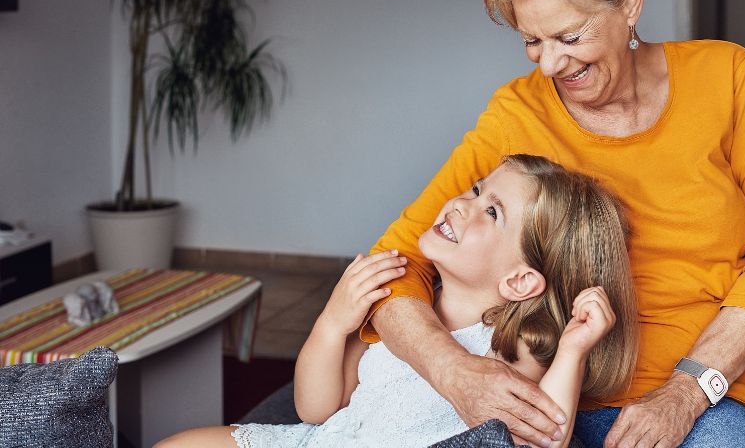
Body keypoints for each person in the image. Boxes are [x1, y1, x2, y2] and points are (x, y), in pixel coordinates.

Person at [361, 0, 745, 448]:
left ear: (629, 2)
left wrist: (690, 390)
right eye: (531, 41)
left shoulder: (727, 76)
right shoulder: (517, 114)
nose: (550, 65)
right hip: (621, 402)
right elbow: (395, 265)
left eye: (569, 37)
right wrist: (454, 370)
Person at [154, 155, 639, 448]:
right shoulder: (403, 307)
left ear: (519, 282)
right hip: (332, 441)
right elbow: (315, 408)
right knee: (179, 444)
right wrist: (331, 323)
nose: (460, 204)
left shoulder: (515, 344)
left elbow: (545, 437)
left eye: (491, 212)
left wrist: (573, 351)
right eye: (475, 190)